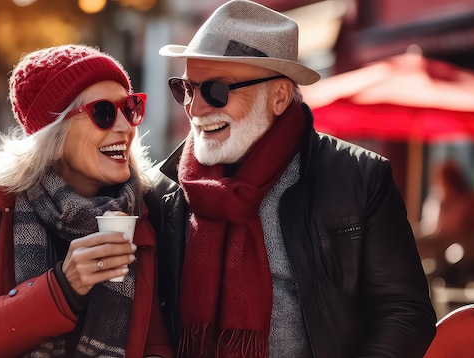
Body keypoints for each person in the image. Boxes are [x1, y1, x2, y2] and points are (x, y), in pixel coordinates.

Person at [146, 1, 437, 357]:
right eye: (186, 89)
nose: (195, 108)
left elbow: (406, 312)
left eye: (216, 91)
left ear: (279, 97)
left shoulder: (360, 179)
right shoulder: (165, 190)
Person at [0, 45, 172, 358]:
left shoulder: (150, 206)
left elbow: (157, 343)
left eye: (130, 107)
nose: (126, 127)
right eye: (103, 113)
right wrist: (62, 287)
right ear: (53, 136)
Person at [417, 159, 474, 284]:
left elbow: (454, 226)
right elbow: (432, 226)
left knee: (453, 252)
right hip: (441, 244)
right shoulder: (437, 199)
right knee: (412, 239)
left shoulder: (470, 200)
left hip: (466, 248)